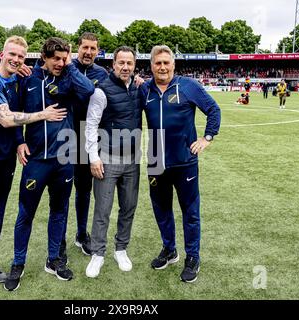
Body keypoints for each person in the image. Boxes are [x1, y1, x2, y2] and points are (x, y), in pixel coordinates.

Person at [0, 36, 66, 300]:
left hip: (7, 159)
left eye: (21, 56)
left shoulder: (18, 80)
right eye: (13, 54)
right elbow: (7, 119)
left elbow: (18, 114)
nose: (17, 59)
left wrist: (19, 143)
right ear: (2, 53)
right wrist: (42, 114)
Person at [4, 37, 95, 290]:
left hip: (64, 158)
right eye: (56, 58)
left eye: (64, 58)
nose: (61, 62)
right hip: (36, 160)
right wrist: (18, 142)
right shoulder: (27, 78)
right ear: (43, 57)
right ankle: (18, 263)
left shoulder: (69, 77)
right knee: (26, 213)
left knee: (59, 211)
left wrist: (70, 66)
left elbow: (88, 90)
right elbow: (12, 112)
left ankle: (53, 259)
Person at [140, 45, 221, 283]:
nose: (162, 67)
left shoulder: (188, 86)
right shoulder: (144, 89)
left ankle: (193, 257)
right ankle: (169, 249)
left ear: (173, 65)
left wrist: (207, 138)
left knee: (190, 212)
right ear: (152, 66)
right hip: (155, 160)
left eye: (166, 63)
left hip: (184, 161)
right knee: (161, 209)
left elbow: (213, 109)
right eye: (158, 63)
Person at [84, 46, 141, 278]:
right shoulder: (101, 91)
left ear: (134, 65)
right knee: (102, 210)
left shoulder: (139, 89)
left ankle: (121, 249)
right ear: (113, 65)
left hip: (133, 160)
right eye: (121, 63)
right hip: (106, 159)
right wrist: (93, 157)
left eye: (130, 63)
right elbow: (90, 125)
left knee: (128, 207)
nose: (125, 67)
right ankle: (97, 253)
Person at [61, 32, 108, 258]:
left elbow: (118, 89)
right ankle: (58, 239)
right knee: (61, 192)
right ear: (77, 48)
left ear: (98, 51)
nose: (89, 52)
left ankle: (81, 234)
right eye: (85, 48)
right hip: (63, 139)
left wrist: (138, 81)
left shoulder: (102, 73)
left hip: (88, 142)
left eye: (93, 49)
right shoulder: (64, 67)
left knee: (83, 191)